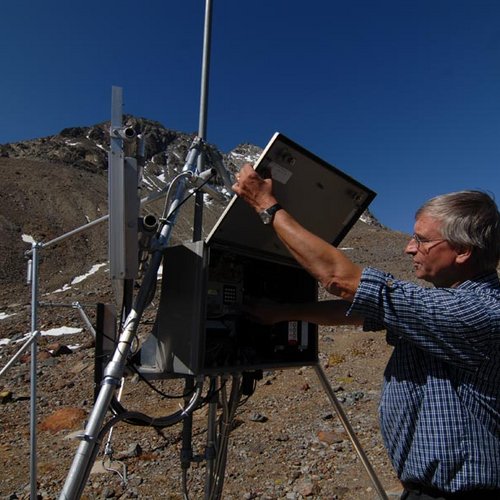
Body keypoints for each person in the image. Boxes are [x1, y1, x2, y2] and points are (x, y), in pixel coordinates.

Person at [232, 163, 500, 500]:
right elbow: (359, 310)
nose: (409, 248)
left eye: (422, 240)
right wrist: (283, 313)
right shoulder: (445, 306)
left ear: (463, 251)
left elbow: (340, 281)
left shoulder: (475, 312)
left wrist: (265, 205)